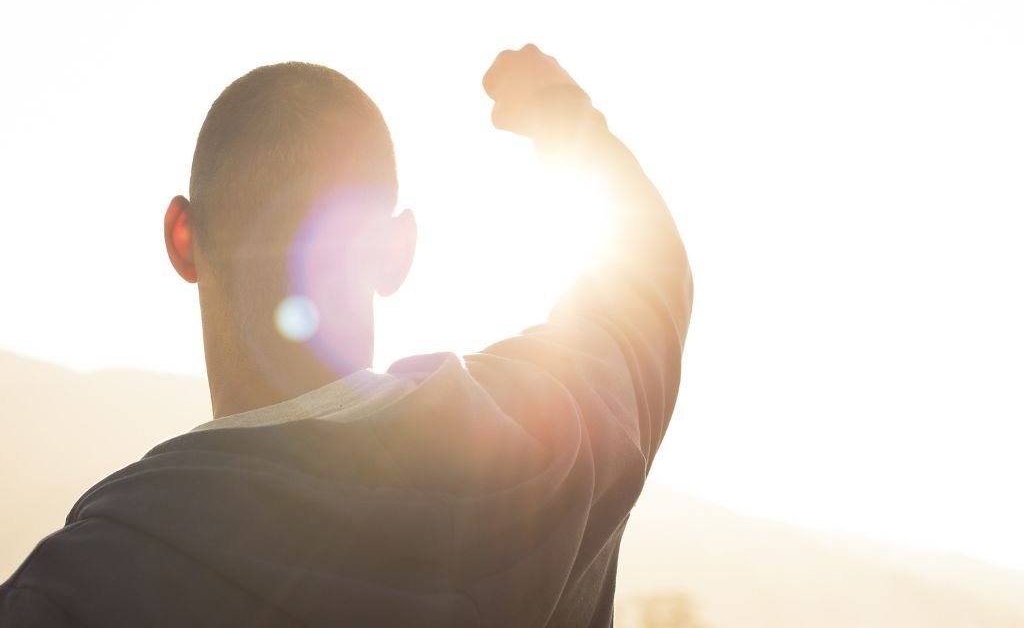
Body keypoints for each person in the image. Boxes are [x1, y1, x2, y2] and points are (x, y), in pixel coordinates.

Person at [0, 44, 693, 626]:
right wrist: (564, 115)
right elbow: (646, 280)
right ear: (398, 252)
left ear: (182, 239)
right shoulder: (551, 450)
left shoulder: (80, 592)